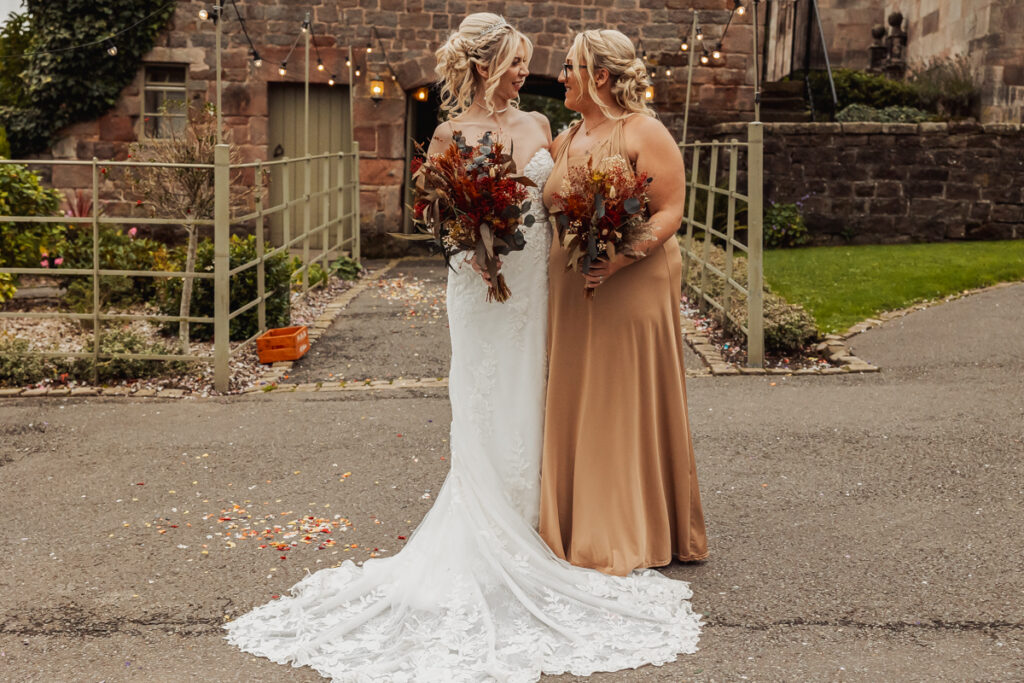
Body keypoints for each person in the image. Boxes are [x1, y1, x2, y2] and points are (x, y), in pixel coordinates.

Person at [225, 16, 700, 681]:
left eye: (533, 64)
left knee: (540, 391)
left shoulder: (543, 128)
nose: (524, 75)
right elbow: (445, 220)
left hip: (539, 284)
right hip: (481, 290)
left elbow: (572, 194)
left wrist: (611, 238)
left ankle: (548, 519)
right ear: (484, 66)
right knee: (485, 396)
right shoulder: (449, 135)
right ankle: (492, 517)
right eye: (514, 64)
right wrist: (470, 249)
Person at [540, 29, 709, 577]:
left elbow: (668, 212)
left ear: (600, 77)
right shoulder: (566, 138)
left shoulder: (644, 130)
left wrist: (618, 258)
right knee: (578, 390)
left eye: (569, 67)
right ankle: (575, 520)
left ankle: (627, 527)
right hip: (573, 283)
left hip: (631, 282)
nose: (562, 76)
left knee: (620, 395)